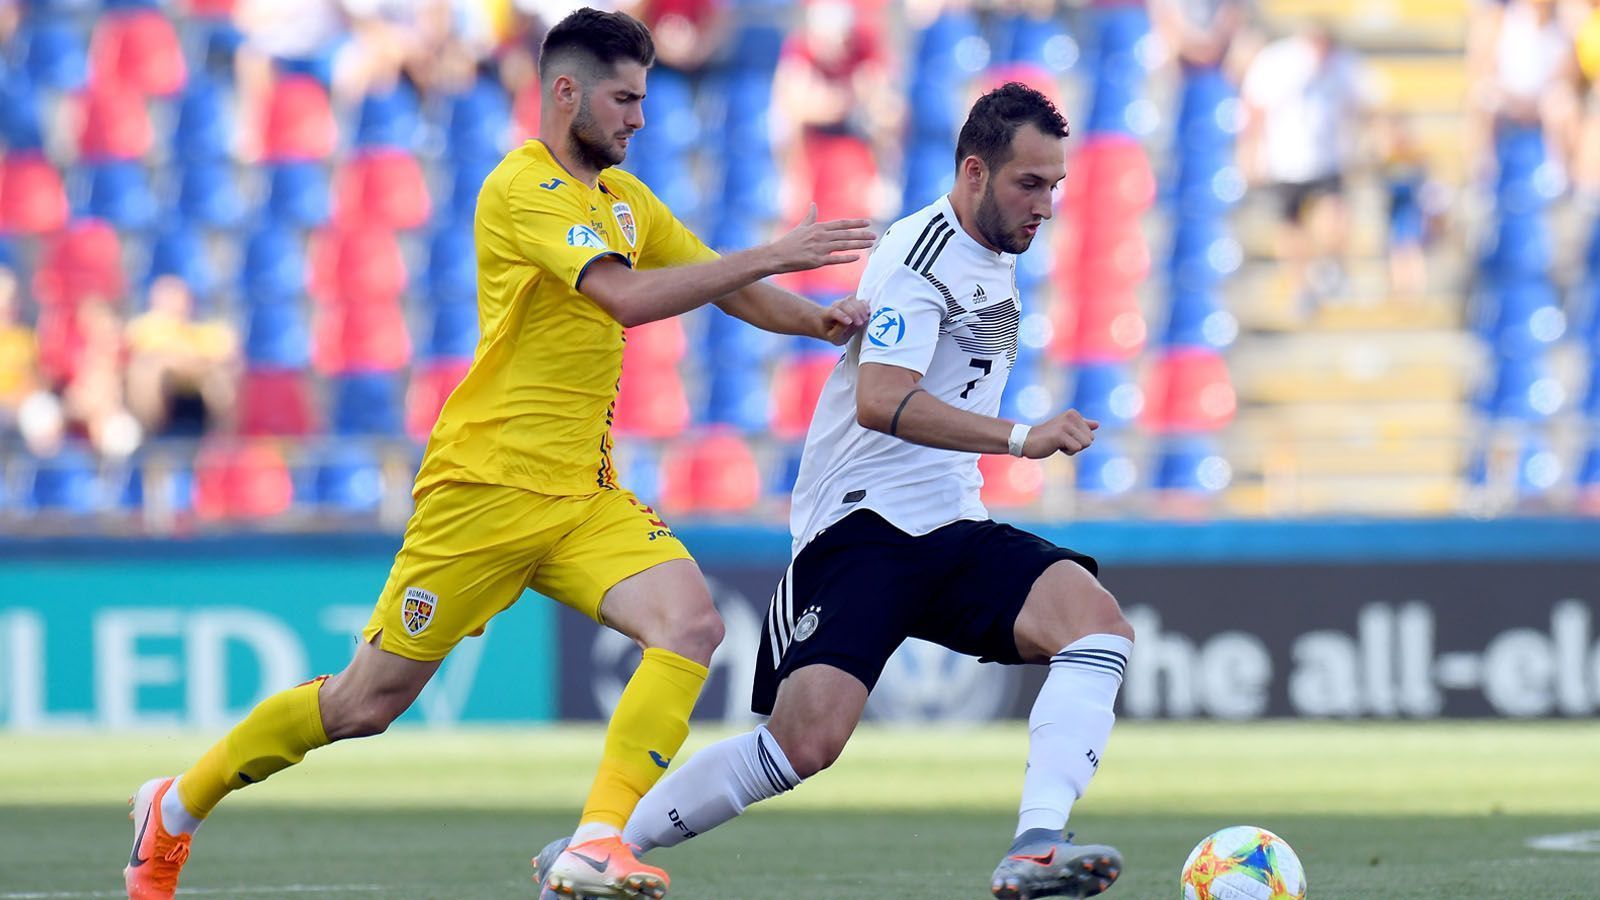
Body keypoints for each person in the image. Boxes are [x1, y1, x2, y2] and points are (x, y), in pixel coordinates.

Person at [123, 8, 875, 900]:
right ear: (567, 93)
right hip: (484, 490)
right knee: (364, 703)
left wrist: (818, 317)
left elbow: (718, 283)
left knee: (691, 625)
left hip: (581, 495)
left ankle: (597, 840)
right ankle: (174, 806)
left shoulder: (624, 202)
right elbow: (628, 300)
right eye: (626, 99)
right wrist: (771, 254)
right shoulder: (522, 189)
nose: (641, 118)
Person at [536, 82, 1136, 900]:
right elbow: (880, 400)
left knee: (1096, 628)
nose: (1048, 205)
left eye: (1056, 186)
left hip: (951, 521)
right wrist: (1022, 438)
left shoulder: (991, 252)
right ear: (973, 173)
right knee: (802, 745)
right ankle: (598, 846)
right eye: (1030, 185)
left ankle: (1034, 847)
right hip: (861, 529)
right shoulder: (922, 258)